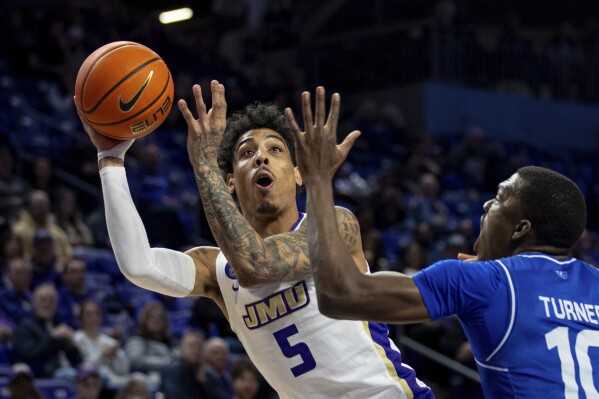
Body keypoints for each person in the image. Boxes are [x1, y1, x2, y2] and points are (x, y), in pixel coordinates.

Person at [74, 80, 432, 398]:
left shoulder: (333, 226)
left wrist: (204, 165)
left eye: (275, 150)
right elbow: (139, 265)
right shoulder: (215, 270)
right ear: (230, 181)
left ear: (297, 174)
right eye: (246, 153)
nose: (261, 156)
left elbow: (258, 266)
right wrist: (110, 160)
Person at [285, 86, 599, 399]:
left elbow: (339, 294)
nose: (488, 205)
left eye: (501, 199)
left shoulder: (482, 281)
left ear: (520, 229)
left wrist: (317, 180)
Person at [12, 283, 82, 379]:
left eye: (51, 300)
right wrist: (53, 338)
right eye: (43, 300)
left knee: (92, 373)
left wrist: (72, 346)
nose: (47, 304)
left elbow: (77, 363)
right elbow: (31, 356)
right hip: (41, 375)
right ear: (34, 303)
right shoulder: (24, 327)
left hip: (65, 371)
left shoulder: (59, 324)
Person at [74, 300, 130, 388]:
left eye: (96, 314)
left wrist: (116, 356)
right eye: (89, 315)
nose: (93, 318)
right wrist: (102, 355)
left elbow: (123, 370)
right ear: (81, 318)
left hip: (113, 378)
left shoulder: (109, 341)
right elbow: (83, 367)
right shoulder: (76, 339)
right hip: (88, 381)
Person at [159, 330, 213, 399]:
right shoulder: (176, 368)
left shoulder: (203, 369)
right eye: (191, 346)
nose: (196, 350)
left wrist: (204, 381)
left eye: (199, 346)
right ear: (181, 349)